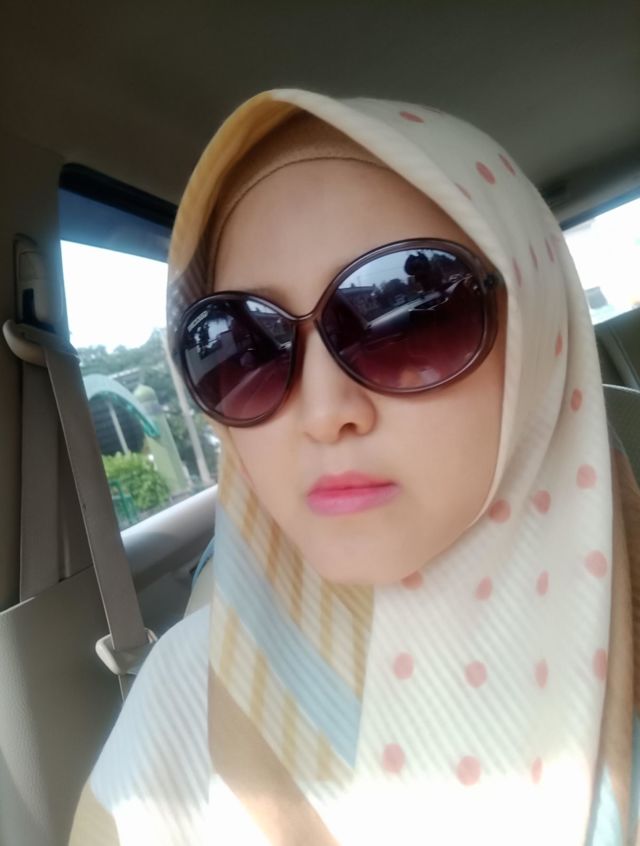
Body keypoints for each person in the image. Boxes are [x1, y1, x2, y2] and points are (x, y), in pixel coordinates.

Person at [69, 89, 640, 845]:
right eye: (242, 345)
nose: (323, 410)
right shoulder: (182, 698)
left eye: (410, 318)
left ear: (538, 339)